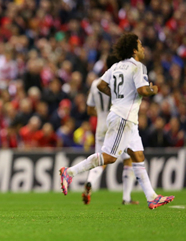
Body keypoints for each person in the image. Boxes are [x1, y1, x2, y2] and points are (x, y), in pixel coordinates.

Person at [60, 33, 175, 210]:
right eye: (141, 45)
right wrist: (154, 89)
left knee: (137, 156)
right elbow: (143, 90)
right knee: (110, 157)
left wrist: (116, 96)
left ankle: (151, 197)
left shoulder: (116, 66)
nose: (143, 48)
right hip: (124, 117)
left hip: (126, 118)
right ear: (134, 50)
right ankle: (69, 172)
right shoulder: (138, 67)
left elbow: (100, 85)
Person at [82, 54, 139, 205]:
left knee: (100, 159)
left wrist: (101, 114)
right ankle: (126, 197)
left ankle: (90, 182)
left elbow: (89, 110)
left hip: (100, 125)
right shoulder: (121, 82)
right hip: (117, 123)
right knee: (129, 159)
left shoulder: (95, 83)